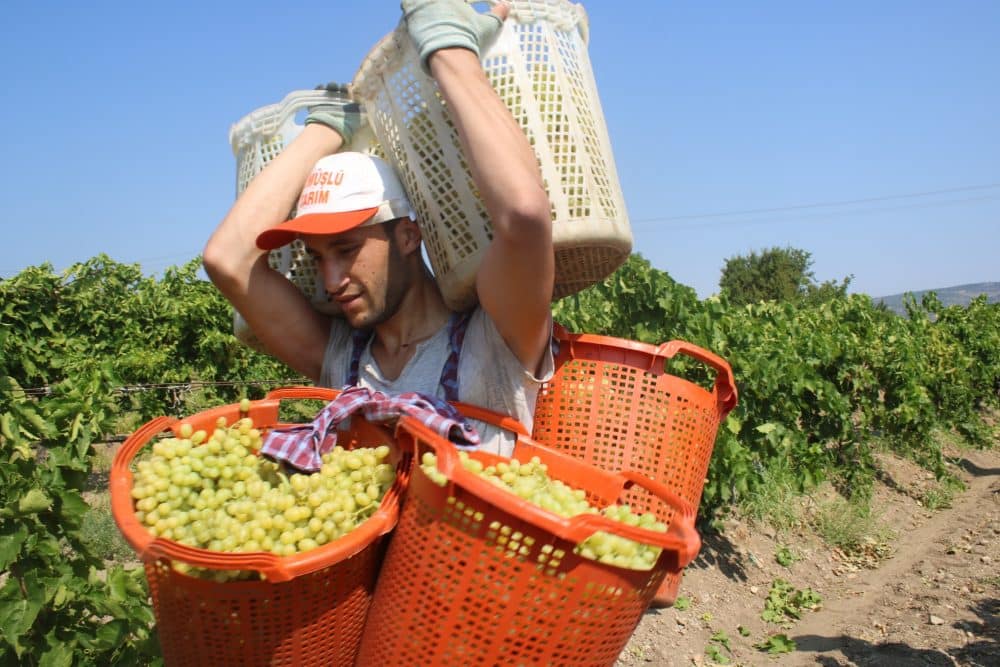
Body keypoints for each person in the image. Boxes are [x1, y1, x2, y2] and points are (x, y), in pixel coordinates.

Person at [203, 0, 555, 455]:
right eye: (318, 258)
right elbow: (226, 259)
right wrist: (329, 125)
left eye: (346, 250)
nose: (332, 281)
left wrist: (449, 47)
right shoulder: (341, 359)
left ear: (408, 235)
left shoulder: (496, 336)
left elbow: (525, 216)